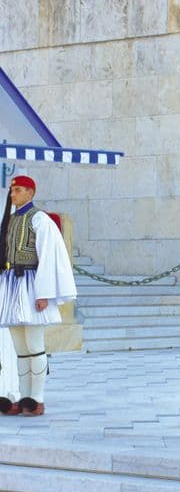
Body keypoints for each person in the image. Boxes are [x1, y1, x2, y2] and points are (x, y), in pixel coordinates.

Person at [0, 175, 77, 416]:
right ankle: (24, 397)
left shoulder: (40, 220)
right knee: (20, 347)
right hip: (12, 286)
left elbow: (48, 258)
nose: (13, 195)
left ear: (30, 193)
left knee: (34, 345)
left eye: (19, 190)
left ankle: (38, 398)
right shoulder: (11, 220)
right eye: (12, 191)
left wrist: (44, 294)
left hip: (31, 286)